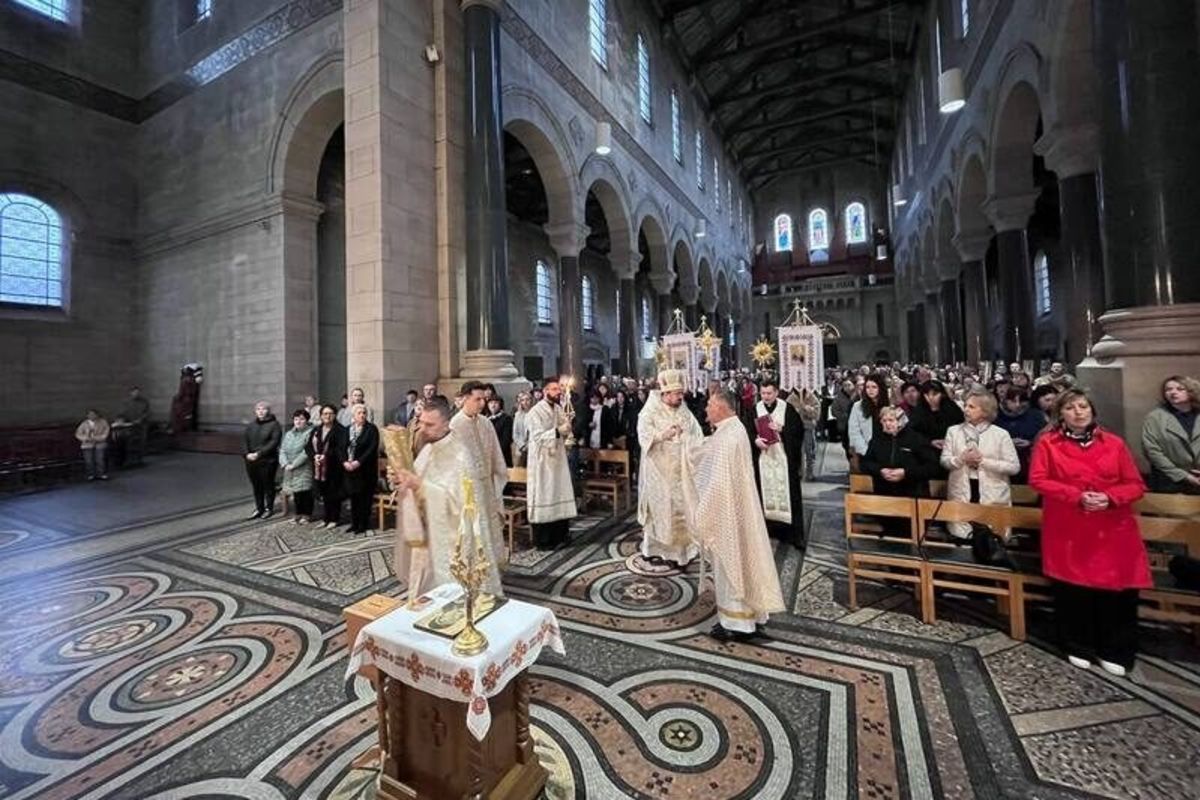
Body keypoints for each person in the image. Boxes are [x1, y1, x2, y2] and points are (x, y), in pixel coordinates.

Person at [1030, 389, 1150, 676]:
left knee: (1116, 593)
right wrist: (1075, 495)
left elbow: (1135, 484)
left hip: (1111, 527)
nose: (1078, 412)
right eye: (1071, 408)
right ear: (1061, 414)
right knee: (1074, 592)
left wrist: (1110, 498)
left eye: (1083, 406)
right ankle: (1077, 644)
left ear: (1092, 411)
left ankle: (1115, 649)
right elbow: (1038, 478)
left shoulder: (1114, 444)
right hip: (1070, 525)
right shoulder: (1049, 444)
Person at [693, 388, 785, 642]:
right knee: (745, 564)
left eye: (710, 404)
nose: (706, 409)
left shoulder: (727, 437)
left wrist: (703, 513)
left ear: (722, 407)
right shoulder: (734, 430)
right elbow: (707, 454)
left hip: (728, 514)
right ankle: (749, 618)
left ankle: (735, 622)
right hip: (740, 510)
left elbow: (718, 483)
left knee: (731, 568)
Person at [389, 399, 504, 598]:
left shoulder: (461, 456)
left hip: (453, 542)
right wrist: (402, 481)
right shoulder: (427, 450)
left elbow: (463, 506)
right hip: (429, 536)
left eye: (429, 425)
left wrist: (418, 485)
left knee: (455, 601)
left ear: (446, 424)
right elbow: (414, 485)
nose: (423, 429)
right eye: (421, 423)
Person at [637, 370, 704, 567]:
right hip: (659, 472)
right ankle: (654, 549)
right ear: (665, 394)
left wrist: (687, 439)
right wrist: (662, 435)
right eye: (677, 393)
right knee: (660, 512)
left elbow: (696, 433)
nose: (681, 397)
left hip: (682, 471)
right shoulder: (649, 411)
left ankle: (680, 554)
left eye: (681, 393)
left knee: (681, 510)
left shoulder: (684, 410)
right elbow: (643, 437)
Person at [940, 390, 1020, 540]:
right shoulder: (953, 431)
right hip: (961, 490)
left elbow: (1013, 467)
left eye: (971, 407)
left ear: (985, 411)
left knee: (991, 540)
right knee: (962, 539)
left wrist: (983, 462)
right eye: (965, 405)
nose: (966, 410)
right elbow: (945, 461)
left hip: (992, 493)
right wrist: (961, 459)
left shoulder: (1000, 434)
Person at [450, 381, 510, 565]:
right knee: (471, 528)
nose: (482, 403)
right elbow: (451, 461)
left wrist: (498, 474)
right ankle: (470, 568)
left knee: (489, 527)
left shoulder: (486, 423)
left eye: (484, 399)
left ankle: (490, 566)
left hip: (486, 484)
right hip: (466, 490)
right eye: (477, 399)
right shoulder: (455, 425)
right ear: (465, 399)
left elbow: (495, 453)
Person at [524, 378, 578, 548]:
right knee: (545, 494)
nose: (558, 392)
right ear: (545, 391)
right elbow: (538, 436)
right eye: (554, 389)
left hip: (558, 461)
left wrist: (567, 427)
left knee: (559, 493)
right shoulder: (535, 412)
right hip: (543, 462)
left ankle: (561, 536)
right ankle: (544, 541)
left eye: (559, 389)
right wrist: (558, 431)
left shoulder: (558, 408)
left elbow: (565, 426)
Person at [752, 379, 806, 546]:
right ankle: (767, 531)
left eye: (769, 393)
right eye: (763, 393)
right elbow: (747, 432)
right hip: (763, 459)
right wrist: (755, 442)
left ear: (776, 392)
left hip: (783, 458)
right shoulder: (755, 409)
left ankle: (792, 535)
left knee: (789, 494)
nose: (766, 397)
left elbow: (799, 431)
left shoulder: (787, 409)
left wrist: (783, 430)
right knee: (764, 494)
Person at [861, 406, 941, 499]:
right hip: (883, 494)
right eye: (884, 420)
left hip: (912, 495)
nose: (887, 424)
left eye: (891, 420)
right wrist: (879, 470)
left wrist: (906, 473)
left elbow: (932, 467)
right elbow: (865, 463)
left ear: (900, 421)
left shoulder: (915, 439)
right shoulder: (877, 440)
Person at [1141, 376, 1200, 494]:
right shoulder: (1155, 418)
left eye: (1180, 389)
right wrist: (1183, 476)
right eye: (1168, 389)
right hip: (1169, 482)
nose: (1173, 392)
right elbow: (1152, 451)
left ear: (1191, 391)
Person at [994, 387, 1046, 483]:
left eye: (1021, 401)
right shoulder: (995, 416)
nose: (1017, 405)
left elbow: (1044, 436)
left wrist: (1031, 442)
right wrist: (1007, 442)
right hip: (1003, 462)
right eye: (1013, 401)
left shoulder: (1036, 415)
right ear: (1006, 401)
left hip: (1030, 461)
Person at [343, 403, 380, 535]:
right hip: (350, 469)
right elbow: (342, 447)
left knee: (364, 498)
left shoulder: (371, 429)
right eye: (359, 413)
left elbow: (372, 448)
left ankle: (363, 524)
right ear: (354, 415)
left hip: (366, 470)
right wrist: (344, 462)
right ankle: (354, 523)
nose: (362, 415)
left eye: (364, 412)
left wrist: (358, 462)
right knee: (354, 498)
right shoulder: (348, 429)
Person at [308, 404, 347, 529]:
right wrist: (314, 456)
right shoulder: (316, 430)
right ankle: (326, 518)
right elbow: (308, 446)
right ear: (320, 416)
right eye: (325, 414)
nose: (327, 416)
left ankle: (334, 518)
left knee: (333, 494)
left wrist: (326, 456)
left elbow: (341, 449)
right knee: (324, 494)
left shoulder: (341, 430)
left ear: (334, 415)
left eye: (330, 413)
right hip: (318, 466)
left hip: (334, 467)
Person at [244, 401, 282, 519]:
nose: (260, 411)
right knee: (256, 485)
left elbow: (274, 442)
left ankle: (268, 508)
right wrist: (247, 453)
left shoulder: (274, 425)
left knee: (268, 485)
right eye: (258, 409)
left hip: (267, 460)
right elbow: (245, 441)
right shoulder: (251, 425)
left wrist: (259, 453)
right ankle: (259, 508)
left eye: (263, 409)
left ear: (268, 411)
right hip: (251, 460)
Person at [908, 379, 965, 456]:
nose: (931, 397)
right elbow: (913, 434)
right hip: (926, 453)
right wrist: (930, 442)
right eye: (927, 394)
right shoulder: (919, 411)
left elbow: (961, 427)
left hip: (951, 451)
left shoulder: (952, 408)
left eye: (935, 394)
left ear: (942, 394)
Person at [280, 409, 315, 524]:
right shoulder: (289, 434)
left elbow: (307, 451)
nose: (298, 421)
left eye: (301, 419)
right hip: (289, 467)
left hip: (303, 467)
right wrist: (285, 463)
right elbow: (282, 450)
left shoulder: (310, 432)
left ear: (306, 420)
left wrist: (294, 464)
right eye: (296, 419)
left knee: (305, 491)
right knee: (295, 492)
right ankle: (298, 513)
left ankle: (306, 515)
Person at [847, 374, 887, 472]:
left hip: (886, 450)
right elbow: (854, 432)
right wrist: (865, 451)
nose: (870, 390)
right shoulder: (858, 406)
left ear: (880, 388)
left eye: (874, 387)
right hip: (866, 451)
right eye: (868, 387)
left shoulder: (889, 404)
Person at [117, 386, 150, 466]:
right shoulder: (126, 402)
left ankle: (139, 460)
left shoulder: (144, 402)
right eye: (134, 392)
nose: (136, 394)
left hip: (141, 425)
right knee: (130, 442)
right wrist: (121, 420)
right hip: (130, 425)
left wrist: (141, 419)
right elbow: (122, 413)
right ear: (131, 393)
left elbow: (147, 412)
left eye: (138, 392)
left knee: (141, 442)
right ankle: (130, 460)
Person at [75, 409, 111, 481]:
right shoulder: (84, 424)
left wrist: (97, 438)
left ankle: (101, 474)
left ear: (97, 415)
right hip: (87, 444)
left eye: (94, 414)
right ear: (87, 416)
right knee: (89, 460)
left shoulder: (103, 422)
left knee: (100, 459)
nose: (92, 416)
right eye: (90, 414)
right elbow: (78, 434)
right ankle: (91, 474)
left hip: (100, 443)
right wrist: (86, 438)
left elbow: (106, 432)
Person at [796, 388, 821, 481]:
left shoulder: (812, 398)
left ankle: (810, 472)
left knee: (809, 450)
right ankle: (799, 471)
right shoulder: (791, 398)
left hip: (808, 427)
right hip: (795, 428)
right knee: (797, 451)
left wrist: (807, 409)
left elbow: (817, 414)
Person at [486, 396, 514, 468]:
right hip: (488, 455)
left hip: (502, 454)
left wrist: (496, 452)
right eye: (491, 403)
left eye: (496, 403)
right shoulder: (486, 419)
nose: (493, 405)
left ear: (500, 405)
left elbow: (506, 439)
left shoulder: (506, 418)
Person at [511, 392, 532, 467]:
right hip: (520, 446)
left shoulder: (535, 414)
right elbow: (515, 434)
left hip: (533, 446)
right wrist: (522, 445)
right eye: (523, 400)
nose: (525, 402)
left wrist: (529, 445)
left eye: (527, 399)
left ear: (531, 400)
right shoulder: (518, 415)